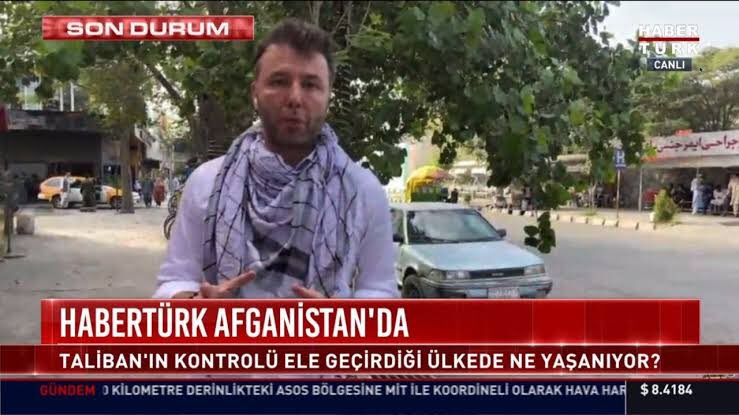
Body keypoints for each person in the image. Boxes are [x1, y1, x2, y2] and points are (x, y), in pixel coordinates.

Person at [154, 19, 397, 300]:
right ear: (255, 93)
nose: (294, 97)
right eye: (279, 82)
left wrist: (343, 318)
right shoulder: (206, 182)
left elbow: (381, 290)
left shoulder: (362, 190)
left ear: (328, 97)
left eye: (310, 85)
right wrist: (196, 306)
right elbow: (174, 281)